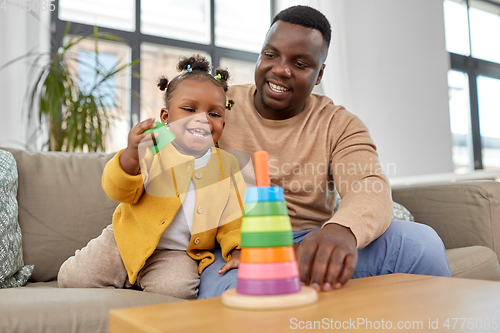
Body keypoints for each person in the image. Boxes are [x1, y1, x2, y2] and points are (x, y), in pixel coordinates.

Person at [199, 5, 451, 298]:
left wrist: (341, 230)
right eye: (270, 55)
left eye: (301, 63)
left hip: (311, 244)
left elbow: (368, 184)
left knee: (422, 243)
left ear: (319, 74)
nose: (280, 69)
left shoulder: (338, 123)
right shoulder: (218, 105)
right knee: (242, 298)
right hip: (236, 246)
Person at [58, 55, 246, 299]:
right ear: (166, 117)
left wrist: (239, 249)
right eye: (189, 109)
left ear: (224, 120)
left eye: (214, 114)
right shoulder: (152, 149)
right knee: (72, 278)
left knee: (177, 292)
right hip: (125, 241)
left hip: (175, 253)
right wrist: (131, 157)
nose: (202, 119)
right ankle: (129, 277)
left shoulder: (227, 165)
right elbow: (120, 191)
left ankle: (140, 282)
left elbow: (234, 217)